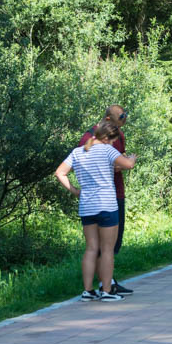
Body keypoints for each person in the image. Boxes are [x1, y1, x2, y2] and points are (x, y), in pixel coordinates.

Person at [55, 122, 138, 301]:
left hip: (87, 206)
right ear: (108, 138)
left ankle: (87, 291)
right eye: (113, 141)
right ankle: (107, 291)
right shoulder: (108, 151)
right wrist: (133, 157)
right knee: (107, 250)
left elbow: (60, 173)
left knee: (91, 249)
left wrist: (76, 191)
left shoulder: (78, 152)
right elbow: (128, 165)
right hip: (107, 205)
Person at [79, 105, 134, 295]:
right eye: (121, 116)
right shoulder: (87, 138)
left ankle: (106, 283)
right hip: (97, 198)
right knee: (99, 247)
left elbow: (122, 157)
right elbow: (85, 164)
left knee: (114, 243)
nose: (124, 119)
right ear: (109, 119)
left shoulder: (119, 134)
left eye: (125, 115)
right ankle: (105, 286)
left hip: (116, 193)